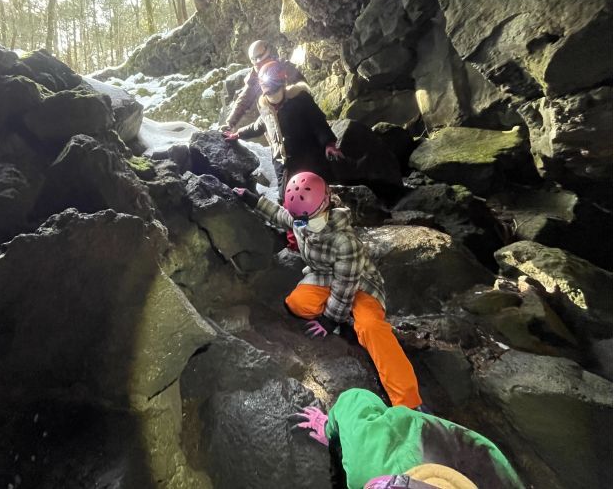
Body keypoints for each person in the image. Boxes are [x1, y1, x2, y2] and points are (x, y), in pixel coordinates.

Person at [233, 172, 422, 410]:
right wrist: (252, 199)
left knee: (370, 327)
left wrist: (329, 319)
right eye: (299, 220)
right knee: (296, 304)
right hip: (325, 277)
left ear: (324, 204)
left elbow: (346, 286)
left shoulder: (345, 241)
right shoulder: (302, 219)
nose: (301, 225)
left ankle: (408, 402)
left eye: (305, 220)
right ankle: (346, 319)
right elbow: (282, 216)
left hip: (360, 283)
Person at [293, 388, 525, 489]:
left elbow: (356, 399)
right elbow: (354, 400)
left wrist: (330, 431)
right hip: (415, 437)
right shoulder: (367, 462)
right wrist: (330, 429)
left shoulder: (499, 471)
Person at [224, 60, 344, 194]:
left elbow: (318, 123)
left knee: (318, 191)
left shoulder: (300, 99)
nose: (272, 97)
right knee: (287, 198)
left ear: (283, 86)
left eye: (274, 92)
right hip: (283, 164)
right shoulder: (266, 108)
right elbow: (258, 126)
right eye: (268, 93)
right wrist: (238, 134)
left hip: (309, 156)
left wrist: (329, 144)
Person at [222, 40, 305, 131]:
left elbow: (303, 88)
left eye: (264, 61)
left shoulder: (284, 66)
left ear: (269, 55)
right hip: (274, 123)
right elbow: (244, 100)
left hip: (298, 115)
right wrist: (230, 123)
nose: (261, 66)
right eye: (257, 65)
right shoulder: (254, 77)